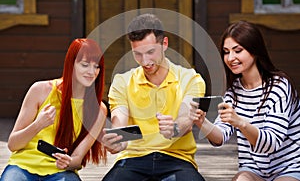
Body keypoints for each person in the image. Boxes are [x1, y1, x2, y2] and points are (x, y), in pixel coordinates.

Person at [190, 21, 300, 181]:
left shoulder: (279, 86)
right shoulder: (233, 92)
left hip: (288, 167)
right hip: (253, 169)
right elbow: (219, 137)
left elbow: (272, 143)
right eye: (226, 52)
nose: (230, 58)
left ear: (255, 51)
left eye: (238, 51)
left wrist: (240, 123)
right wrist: (202, 123)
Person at [101, 13, 206, 181]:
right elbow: (119, 120)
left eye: (150, 52)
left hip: (177, 159)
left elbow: (186, 119)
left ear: (164, 44)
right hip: (133, 159)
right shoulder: (122, 82)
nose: (145, 61)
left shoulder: (191, 78)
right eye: (138, 54)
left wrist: (174, 128)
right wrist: (117, 141)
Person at [0, 38, 107, 181]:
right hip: (23, 166)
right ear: (71, 64)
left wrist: (68, 163)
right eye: (85, 65)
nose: (91, 72)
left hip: (60, 172)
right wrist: (39, 124)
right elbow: (13, 145)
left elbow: (77, 159)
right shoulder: (40, 90)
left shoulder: (99, 109)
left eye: (96, 66)